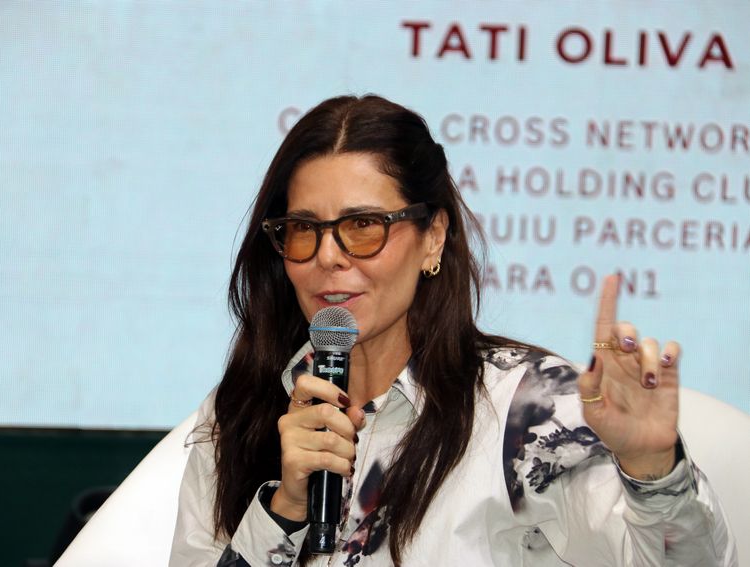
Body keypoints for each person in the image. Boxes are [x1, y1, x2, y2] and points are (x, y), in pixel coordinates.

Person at [169, 95, 736, 566]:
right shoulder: (241, 410)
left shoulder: (528, 411)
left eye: (363, 225)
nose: (328, 256)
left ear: (433, 237)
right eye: (303, 228)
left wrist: (653, 471)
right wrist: (286, 510)